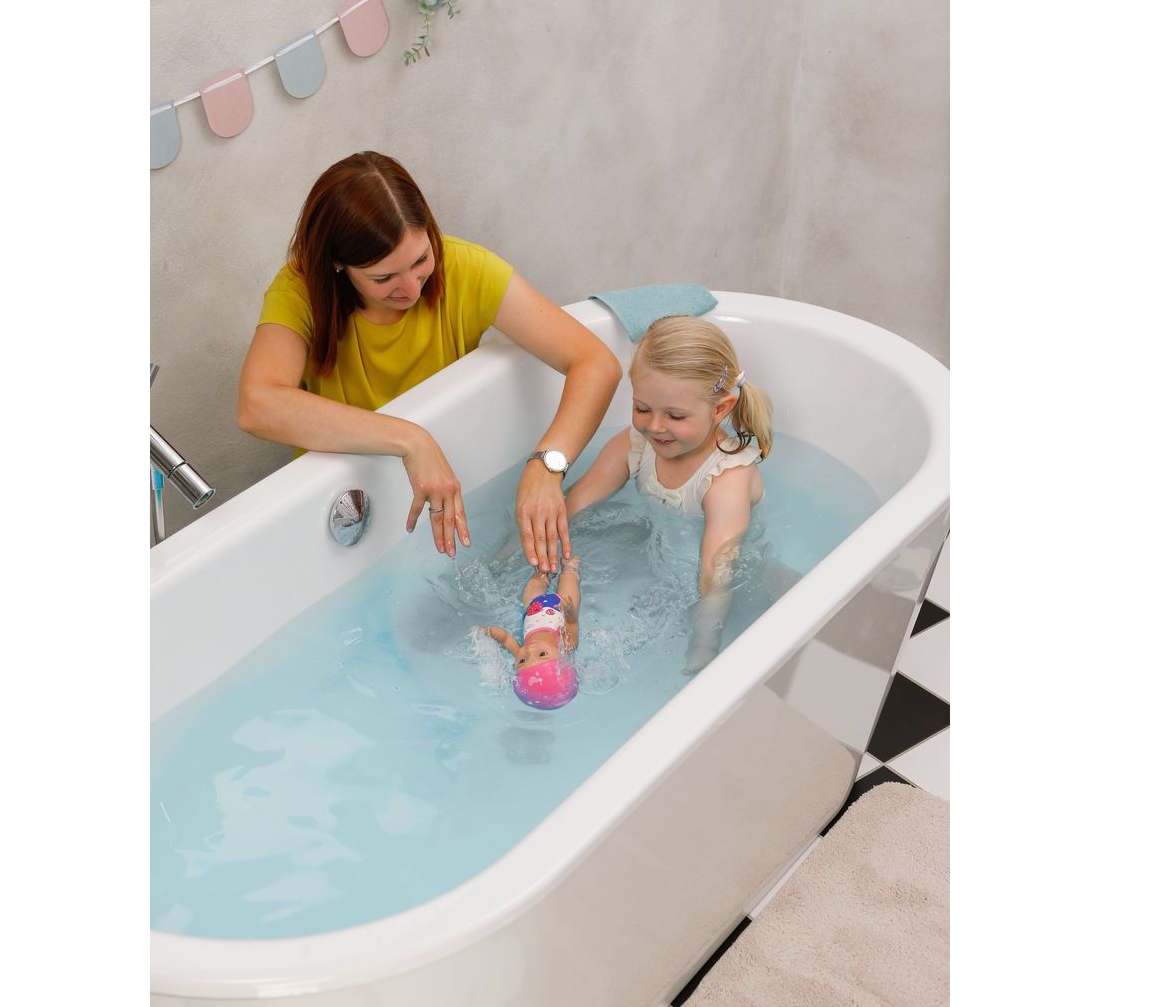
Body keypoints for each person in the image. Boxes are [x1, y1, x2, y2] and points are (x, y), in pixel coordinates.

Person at [237, 152, 621, 572]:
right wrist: (410, 440)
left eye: (420, 260)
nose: (412, 289)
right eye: (384, 278)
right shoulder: (301, 293)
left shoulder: (464, 268)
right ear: (337, 266)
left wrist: (548, 465)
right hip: (348, 513)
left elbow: (595, 361)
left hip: (449, 486)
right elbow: (257, 406)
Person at [561, 315, 773, 672]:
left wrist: (703, 646)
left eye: (675, 416)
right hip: (659, 554)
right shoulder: (637, 443)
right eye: (642, 408)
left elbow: (716, 573)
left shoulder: (727, 479)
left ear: (720, 408)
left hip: (727, 581)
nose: (655, 426)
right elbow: (576, 503)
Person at [479, 557, 581, 710]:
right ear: (563, 659)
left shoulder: (520, 651)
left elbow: (505, 638)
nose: (529, 651)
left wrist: (487, 632)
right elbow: (572, 624)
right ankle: (569, 566)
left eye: (521, 661)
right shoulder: (566, 644)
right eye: (542, 654)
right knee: (569, 579)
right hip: (562, 605)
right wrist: (570, 611)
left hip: (533, 606)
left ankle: (544, 569)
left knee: (535, 582)